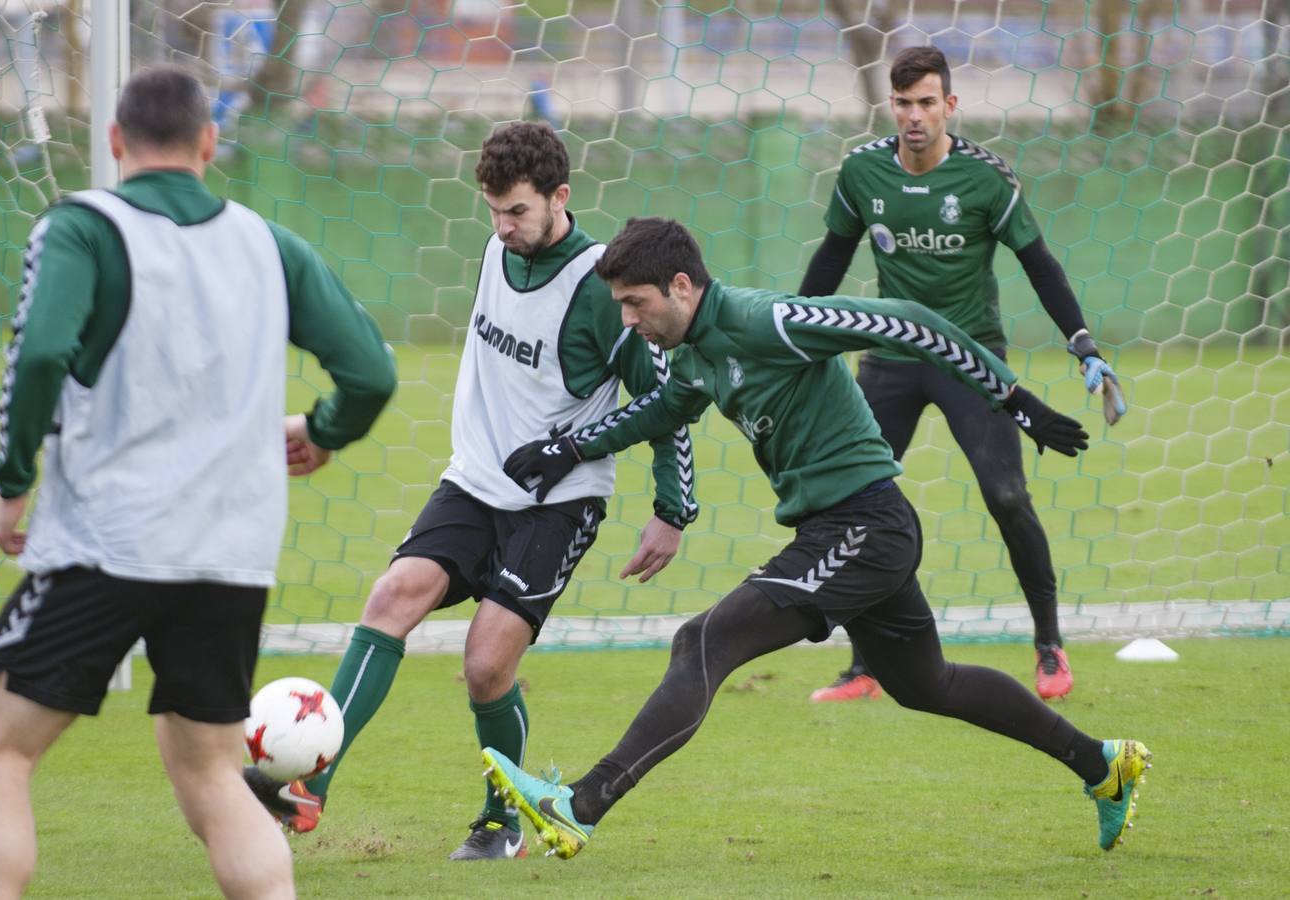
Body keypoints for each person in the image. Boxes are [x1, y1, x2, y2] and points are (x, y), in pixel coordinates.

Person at [487, 216, 1151, 859]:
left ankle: (578, 806)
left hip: (865, 525)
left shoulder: (766, 321)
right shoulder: (690, 356)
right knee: (927, 685)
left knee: (703, 640)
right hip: (850, 533)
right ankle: (1101, 763)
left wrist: (1013, 400)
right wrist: (570, 448)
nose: (628, 320)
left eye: (636, 303)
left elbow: (908, 322)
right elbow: (663, 410)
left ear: (682, 286)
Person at [0, 64, 397, 899]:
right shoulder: (271, 242)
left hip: (107, 545)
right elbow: (370, 372)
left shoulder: (83, 227)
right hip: (231, 556)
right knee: (210, 776)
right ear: (209, 144)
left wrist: (13, 483)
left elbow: (40, 353)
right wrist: (322, 431)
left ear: (116, 142)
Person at [242, 122, 699, 860]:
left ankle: (500, 820)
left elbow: (667, 401)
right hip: (475, 479)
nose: (503, 227)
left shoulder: (596, 288)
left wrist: (671, 512)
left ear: (560, 197)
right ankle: (307, 786)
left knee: (486, 666)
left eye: (517, 211)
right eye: (493, 211)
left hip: (560, 499)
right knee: (392, 597)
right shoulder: (499, 247)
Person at [801, 45, 1126, 704]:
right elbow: (831, 259)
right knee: (853, 503)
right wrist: (796, 335)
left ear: (950, 105)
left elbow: (1040, 264)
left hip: (972, 359)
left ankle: (1049, 645)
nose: (914, 116)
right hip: (890, 355)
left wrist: (1082, 343)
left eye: (926, 102)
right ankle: (864, 663)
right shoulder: (863, 173)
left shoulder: (987, 180)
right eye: (903, 104)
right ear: (890, 107)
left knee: (1006, 496)